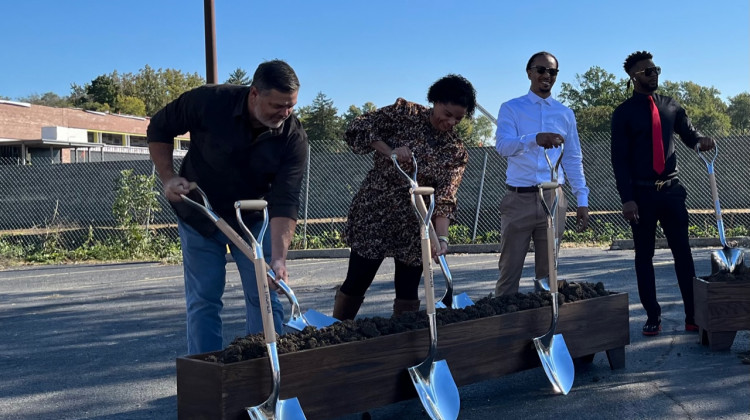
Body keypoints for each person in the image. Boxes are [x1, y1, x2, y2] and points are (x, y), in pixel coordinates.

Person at [147, 59, 308, 354]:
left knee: (264, 295)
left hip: (252, 222)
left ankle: (262, 370)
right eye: (277, 105)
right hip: (200, 214)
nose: (284, 114)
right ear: (254, 94)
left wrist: (280, 260)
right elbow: (159, 127)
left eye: (291, 106)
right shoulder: (209, 102)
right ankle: (207, 377)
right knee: (205, 297)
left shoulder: (292, 137)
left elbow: (286, 199)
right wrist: (168, 178)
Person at [332, 74, 476, 320]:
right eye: (448, 113)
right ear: (435, 101)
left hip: (417, 222)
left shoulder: (455, 152)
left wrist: (441, 238)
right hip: (376, 210)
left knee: (408, 289)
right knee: (358, 279)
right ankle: (337, 335)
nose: (451, 122)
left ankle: (403, 342)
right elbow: (359, 127)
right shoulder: (404, 115)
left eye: (458, 119)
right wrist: (390, 153)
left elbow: (445, 197)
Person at [611, 51, 715, 336]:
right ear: (633, 78)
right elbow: (619, 160)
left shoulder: (671, 106)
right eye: (646, 71)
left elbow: (689, 134)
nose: (653, 74)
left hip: (672, 191)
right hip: (641, 196)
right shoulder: (623, 113)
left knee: (683, 253)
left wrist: (700, 141)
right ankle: (652, 315)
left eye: (655, 69)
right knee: (644, 256)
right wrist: (627, 198)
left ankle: (693, 315)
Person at [494, 51, 590, 296]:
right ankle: (506, 328)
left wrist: (582, 199)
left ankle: (545, 325)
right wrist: (534, 139)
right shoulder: (512, 108)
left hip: (553, 198)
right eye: (541, 70)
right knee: (509, 271)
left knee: (548, 275)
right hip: (519, 198)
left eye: (553, 71)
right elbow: (503, 146)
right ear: (529, 72)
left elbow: (572, 158)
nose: (547, 75)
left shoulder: (565, 114)